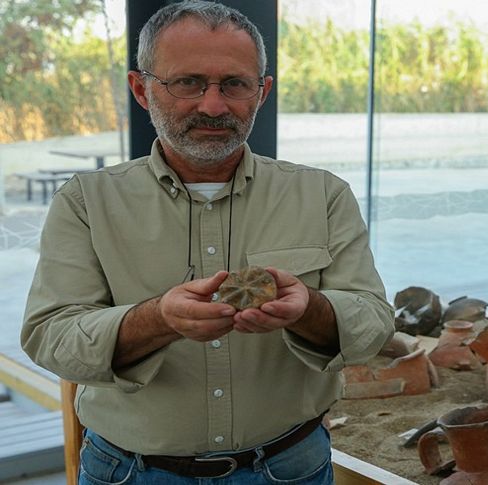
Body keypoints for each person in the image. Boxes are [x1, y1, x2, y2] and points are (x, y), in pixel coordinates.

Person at [21, 1, 394, 483]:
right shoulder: (86, 202)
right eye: (188, 82)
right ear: (141, 88)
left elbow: (374, 322)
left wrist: (311, 309)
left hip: (291, 466)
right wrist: (157, 319)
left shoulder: (321, 194)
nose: (213, 106)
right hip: (131, 472)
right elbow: (50, 336)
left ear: (262, 93)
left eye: (234, 84)